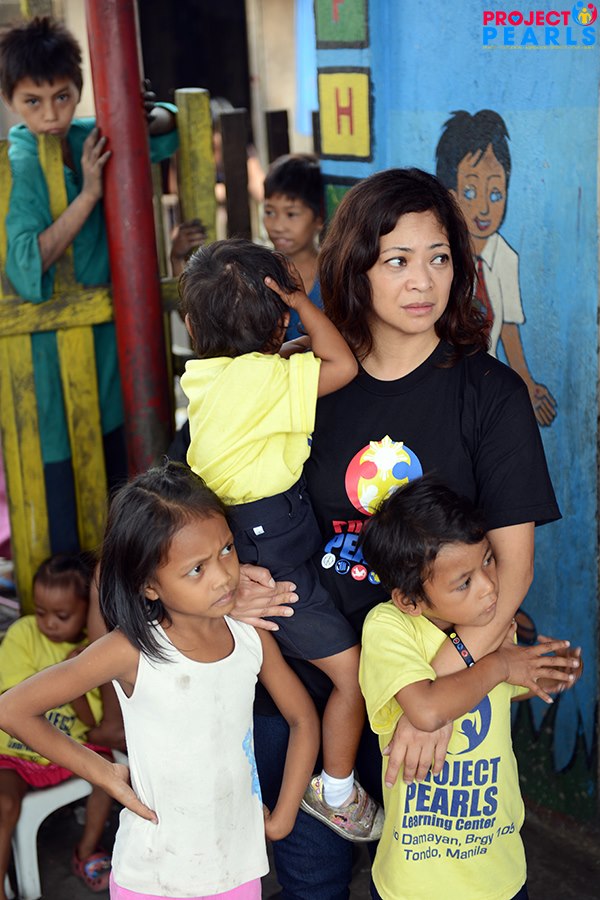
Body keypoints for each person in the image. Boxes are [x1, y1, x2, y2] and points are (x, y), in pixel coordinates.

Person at [230, 167, 561, 898]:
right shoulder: (303, 381)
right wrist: (235, 577)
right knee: (313, 878)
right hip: (312, 680)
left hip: (444, 672)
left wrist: (434, 690)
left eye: (439, 258)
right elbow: (214, 493)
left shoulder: (490, 393)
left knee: (436, 883)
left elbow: (515, 570)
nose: (423, 281)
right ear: (357, 269)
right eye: (398, 260)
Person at [0, 461, 319, 899]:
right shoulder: (131, 649)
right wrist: (102, 772)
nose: (223, 576)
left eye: (227, 549)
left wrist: (283, 818)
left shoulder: (250, 637)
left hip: (236, 869)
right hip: (151, 877)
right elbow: (13, 709)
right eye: (196, 569)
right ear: (149, 585)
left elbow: (303, 718)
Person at [179, 239, 384, 842]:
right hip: (275, 554)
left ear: (191, 326)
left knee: (291, 691)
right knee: (353, 675)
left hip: (250, 537)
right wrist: (304, 305)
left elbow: (275, 369)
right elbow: (341, 364)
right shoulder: (264, 381)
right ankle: (336, 789)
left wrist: (284, 343)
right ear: (280, 323)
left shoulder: (208, 380)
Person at [0, 16, 178, 554]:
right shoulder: (19, 162)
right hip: (47, 352)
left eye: (62, 97)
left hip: (112, 335)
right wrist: (88, 196)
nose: (51, 115)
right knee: (63, 489)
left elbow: (167, 133)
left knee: (122, 472)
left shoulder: (88, 137)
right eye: (33, 102)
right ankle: (70, 592)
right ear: (10, 102)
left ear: (79, 89)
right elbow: (26, 268)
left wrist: (144, 111)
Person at [358, 476, 580, 900]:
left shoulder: (491, 627)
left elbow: (509, 687)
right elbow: (426, 709)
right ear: (410, 600)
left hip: (497, 873)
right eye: (464, 582)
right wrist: (500, 664)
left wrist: (554, 668)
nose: (490, 586)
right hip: (415, 881)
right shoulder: (389, 628)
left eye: (489, 561)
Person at [0, 552, 113, 896]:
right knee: (4, 805)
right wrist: (68, 674)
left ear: (85, 612)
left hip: (67, 749)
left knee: (110, 775)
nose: (48, 623)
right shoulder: (23, 633)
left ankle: (86, 851)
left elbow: (90, 721)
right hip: (15, 749)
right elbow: (15, 701)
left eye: (62, 616)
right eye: (41, 611)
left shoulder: (93, 650)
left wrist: (77, 676)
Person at [435, 109, 557, 427]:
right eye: (470, 192)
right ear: (450, 196)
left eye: (496, 193)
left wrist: (526, 383)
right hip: (441, 385)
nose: (484, 208)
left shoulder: (505, 257)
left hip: (484, 388)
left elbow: (509, 329)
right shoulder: (439, 257)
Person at [263, 152, 324, 339]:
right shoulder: (260, 274)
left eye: (291, 214)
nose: (278, 226)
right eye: (269, 212)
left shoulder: (334, 276)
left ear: (319, 218)